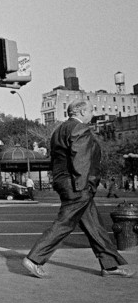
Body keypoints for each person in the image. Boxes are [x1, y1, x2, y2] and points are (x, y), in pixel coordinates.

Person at [22, 101, 134, 279]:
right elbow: (80, 159)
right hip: (77, 184)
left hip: (64, 181)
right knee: (65, 223)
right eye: (91, 110)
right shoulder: (79, 128)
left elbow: (57, 160)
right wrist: (85, 186)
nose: (92, 114)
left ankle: (110, 265)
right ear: (81, 111)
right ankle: (34, 259)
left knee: (94, 225)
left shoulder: (59, 130)